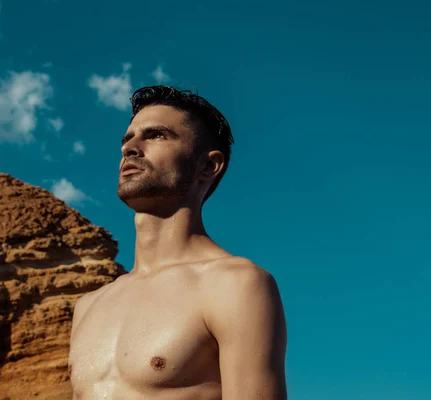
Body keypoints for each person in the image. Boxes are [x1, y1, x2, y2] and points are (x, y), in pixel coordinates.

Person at [68, 85, 287, 399]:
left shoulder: (236, 285)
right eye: (127, 139)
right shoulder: (89, 306)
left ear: (208, 166)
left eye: (156, 135)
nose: (130, 148)